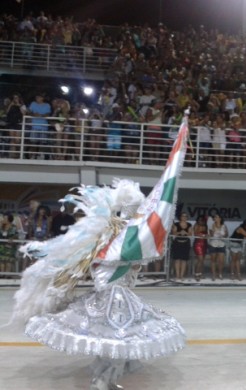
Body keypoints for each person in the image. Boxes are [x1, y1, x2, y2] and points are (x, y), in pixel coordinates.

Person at [9, 115, 191, 390]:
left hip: (113, 293)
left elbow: (125, 261)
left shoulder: (115, 233)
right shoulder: (117, 235)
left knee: (115, 342)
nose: (135, 214)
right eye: (133, 210)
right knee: (118, 339)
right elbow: (114, 259)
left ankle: (104, 374)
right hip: (111, 296)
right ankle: (102, 381)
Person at [170, 212, 193, 281]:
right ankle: (177, 275)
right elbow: (173, 233)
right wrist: (179, 233)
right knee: (177, 260)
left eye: (185, 216)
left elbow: (190, 234)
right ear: (180, 217)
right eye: (183, 216)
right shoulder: (176, 224)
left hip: (185, 243)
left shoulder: (189, 225)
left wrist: (185, 233)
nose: (184, 217)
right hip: (177, 243)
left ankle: (182, 275)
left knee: (184, 260)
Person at [208, 213, 228, 280]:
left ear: (220, 218)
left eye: (216, 217)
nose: (215, 218)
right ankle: (213, 274)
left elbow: (227, 234)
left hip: (221, 244)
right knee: (213, 260)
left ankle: (220, 273)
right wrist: (213, 228)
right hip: (213, 244)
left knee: (221, 261)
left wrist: (223, 236)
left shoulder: (224, 226)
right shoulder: (211, 225)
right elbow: (211, 234)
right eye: (214, 217)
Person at [193, 215, 208, 282]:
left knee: (202, 260)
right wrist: (202, 235)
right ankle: (196, 274)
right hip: (198, 243)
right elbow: (195, 234)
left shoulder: (206, 226)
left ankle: (200, 273)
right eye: (199, 220)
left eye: (201, 220)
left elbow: (207, 234)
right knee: (200, 259)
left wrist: (206, 236)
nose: (200, 221)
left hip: (204, 243)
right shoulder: (196, 225)